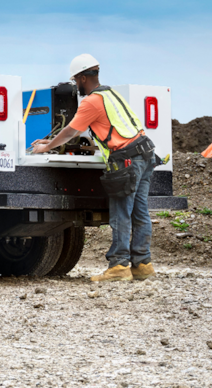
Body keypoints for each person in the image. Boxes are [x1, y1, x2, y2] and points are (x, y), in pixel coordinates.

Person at [31, 54, 157, 282]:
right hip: (146, 154)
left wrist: (47, 147)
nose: (75, 85)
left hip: (127, 160)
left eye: (75, 81)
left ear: (81, 78)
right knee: (140, 213)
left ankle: (119, 267)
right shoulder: (111, 95)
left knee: (121, 214)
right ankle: (143, 265)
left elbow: (71, 131)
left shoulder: (90, 101)